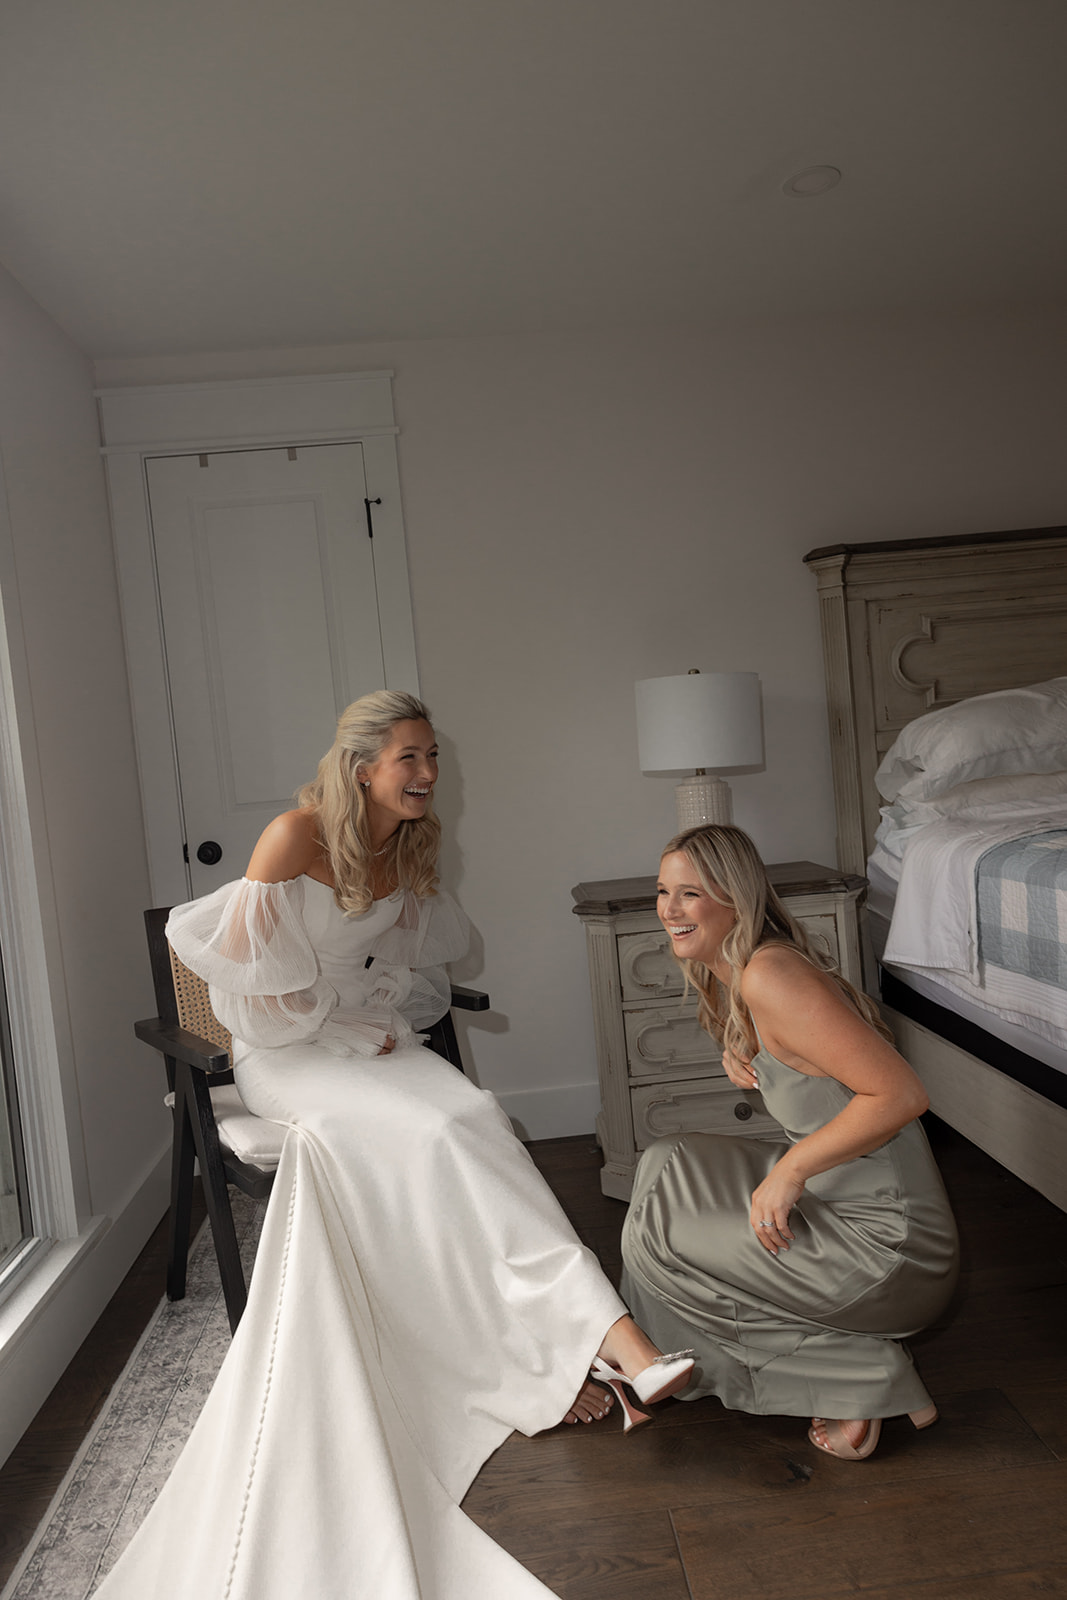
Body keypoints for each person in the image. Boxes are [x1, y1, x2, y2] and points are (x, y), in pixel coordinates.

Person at [94, 690, 692, 1600]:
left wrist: (365, 1021)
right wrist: (329, 1030)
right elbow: (245, 994)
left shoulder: (411, 843)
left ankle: (609, 1342)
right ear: (362, 765)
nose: (425, 774)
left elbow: (404, 964)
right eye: (408, 757)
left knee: (472, 1121)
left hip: (365, 1037)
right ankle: (589, 1345)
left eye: (432, 758)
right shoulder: (294, 836)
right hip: (286, 1052)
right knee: (429, 1132)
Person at [621, 824, 959, 1462]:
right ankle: (656, 1354)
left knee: (659, 1236)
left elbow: (902, 1095)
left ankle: (859, 1373)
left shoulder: (768, 976)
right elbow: (808, 1053)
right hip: (845, 1201)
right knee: (664, 1165)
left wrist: (790, 1172)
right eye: (662, 892)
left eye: (689, 894)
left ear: (734, 899)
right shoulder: (746, 968)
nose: (668, 910)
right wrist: (738, 1038)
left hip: (889, 1248)